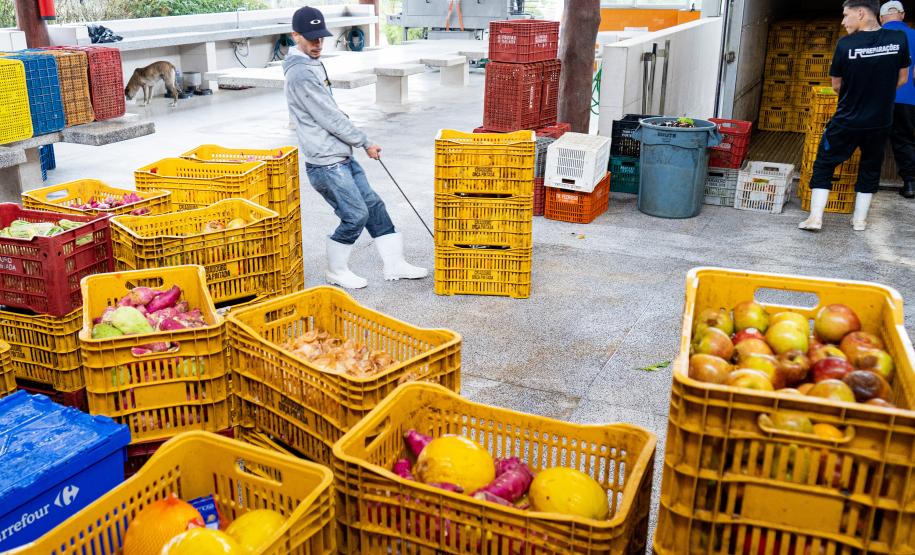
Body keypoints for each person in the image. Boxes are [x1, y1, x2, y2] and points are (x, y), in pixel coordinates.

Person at [283, 6, 427, 289]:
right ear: (295, 35)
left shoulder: (311, 63)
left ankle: (395, 263)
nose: (318, 43)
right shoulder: (300, 73)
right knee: (355, 215)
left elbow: (330, 111)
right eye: (311, 37)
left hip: (339, 154)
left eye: (321, 37)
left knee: (373, 205)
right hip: (326, 162)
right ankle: (336, 270)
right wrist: (364, 140)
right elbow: (329, 115)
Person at [799, 0, 911, 231]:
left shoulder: (845, 45)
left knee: (824, 164)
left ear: (861, 13)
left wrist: (857, 93)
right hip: (880, 121)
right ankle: (859, 221)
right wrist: (879, 95)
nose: (842, 21)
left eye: (846, 15)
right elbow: (902, 79)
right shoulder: (898, 40)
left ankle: (815, 218)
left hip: (847, 120)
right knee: (871, 168)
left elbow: (836, 85)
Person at [881, 1, 915, 198]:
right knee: (904, 140)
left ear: (881, 17)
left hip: (878, 98)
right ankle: (910, 184)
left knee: (873, 138)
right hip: (908, 97)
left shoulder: (874, 36)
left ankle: (868, 184)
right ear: (902, 14)